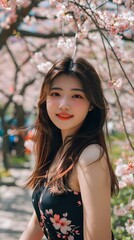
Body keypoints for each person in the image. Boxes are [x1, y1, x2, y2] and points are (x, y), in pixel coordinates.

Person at [19, 56, 119, 240]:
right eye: (55, 94)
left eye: (77, 96)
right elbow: (35, 226)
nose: (64, 105)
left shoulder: (90, 156)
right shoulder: (58, 152)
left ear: (91, 105)